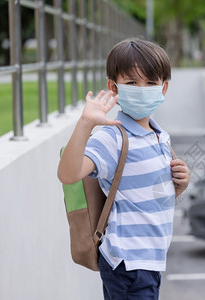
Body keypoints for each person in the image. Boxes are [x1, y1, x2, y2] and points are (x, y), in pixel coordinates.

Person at [57, 37, 190, 300]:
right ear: (113, 87)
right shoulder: (112, 138)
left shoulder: (159, 136)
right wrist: (85, 123)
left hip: (149, 261)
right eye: (131, 82)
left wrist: (179, 184)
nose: (142, 89)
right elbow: (68, 174)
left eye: (151, 82)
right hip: (128, 263)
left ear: (163, 88)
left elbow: (144, 196)